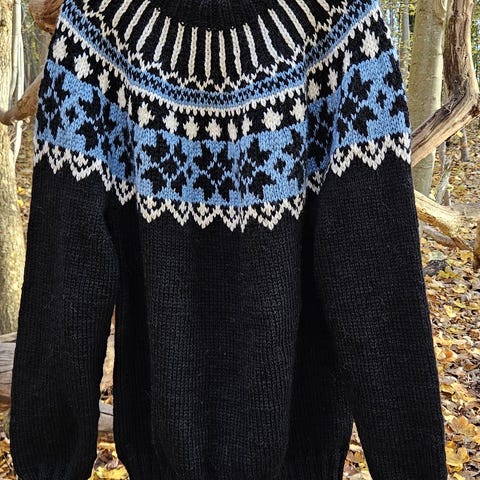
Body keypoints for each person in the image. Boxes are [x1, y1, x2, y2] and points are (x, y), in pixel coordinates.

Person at [9, 0, 448, 478]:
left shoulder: (343, 29)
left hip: (181, 444)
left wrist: (49, 465)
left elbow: (379, 272)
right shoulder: (96, 34)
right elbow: (63, 274)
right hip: (288, 448)